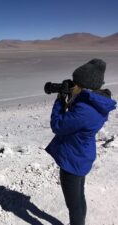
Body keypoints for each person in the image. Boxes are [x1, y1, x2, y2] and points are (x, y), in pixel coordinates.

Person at [45, 59, 116, 225]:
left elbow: (58, 125)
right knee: (79, 197)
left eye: (75, 83)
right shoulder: (95, 102)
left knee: (74, 205)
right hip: (82, 154)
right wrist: (72, 97)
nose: (73, 85)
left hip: (73, 160)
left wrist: (60, 100)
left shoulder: (85, 110)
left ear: (84, 85)